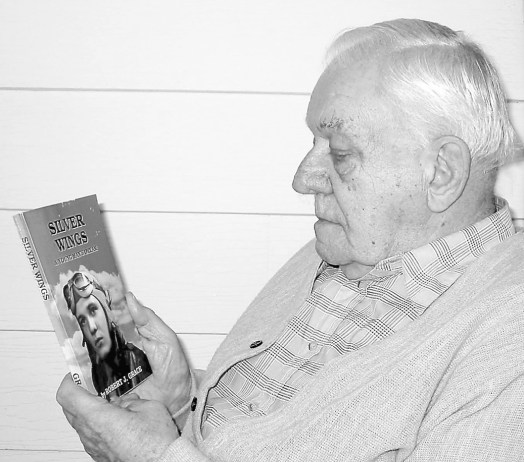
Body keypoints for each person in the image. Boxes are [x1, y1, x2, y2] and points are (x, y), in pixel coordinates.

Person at [56, 18, 524, 461]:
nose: (303, 179)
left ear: (440, 172)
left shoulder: (508, 348)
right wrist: (181, 402)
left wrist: (152, 457)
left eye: (340, 152)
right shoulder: (346, 244)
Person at [63, 271, 152, 400]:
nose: (92, 327)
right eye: (83, 321)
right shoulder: (97, 374)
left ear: (106, 313)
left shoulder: (136, 358)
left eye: (93, 310)